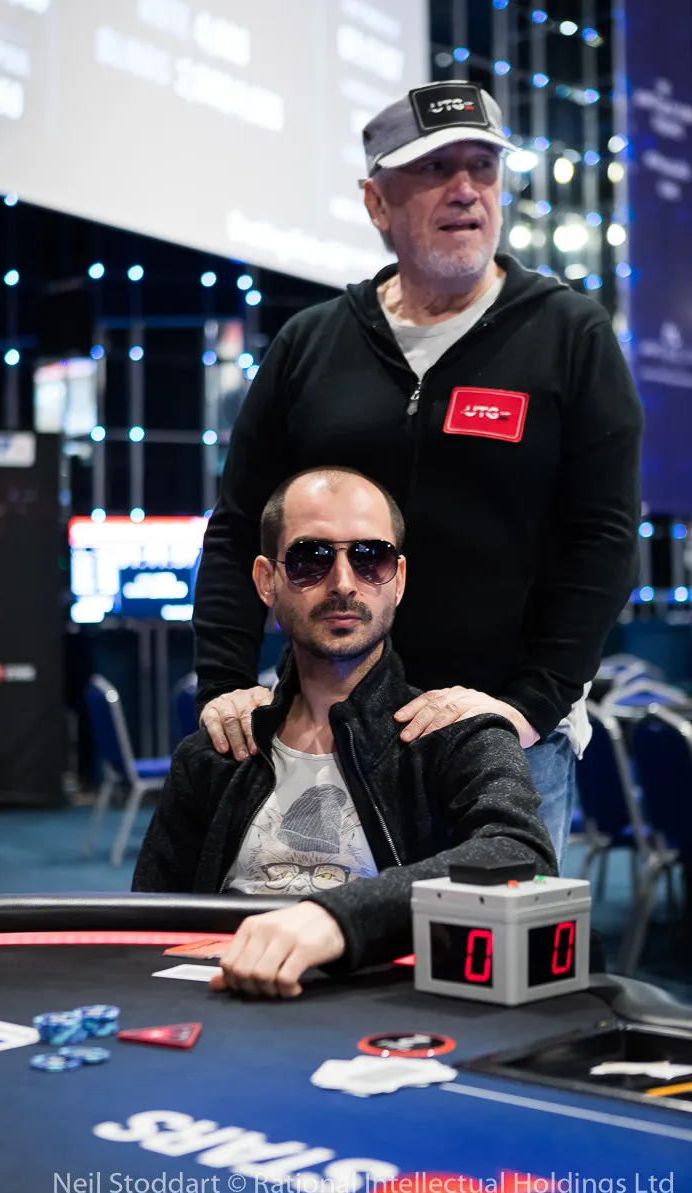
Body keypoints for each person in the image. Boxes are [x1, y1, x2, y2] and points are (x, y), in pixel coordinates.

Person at [193, 81, 643, 871]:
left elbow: (604, 542)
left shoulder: (569, 335)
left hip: (500, 742)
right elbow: (239, 528)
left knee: (486, 947)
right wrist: (223, 683)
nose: (466, 189)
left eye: (483, 167)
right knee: (319, 936)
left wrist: (526, 707)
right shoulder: (311, 344)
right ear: (376, 202)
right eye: (435, 169)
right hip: (327, 733)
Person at [134, 468, 556, 998]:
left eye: (370, 557)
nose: (343, 583)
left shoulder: (456, 735)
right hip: (226, 1001)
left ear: (398, 579)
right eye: (310, 558)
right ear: (266, 580)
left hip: (389, 1012)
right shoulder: (216, 753)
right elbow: (143, 930)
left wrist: (337, 917)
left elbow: (521, 855)